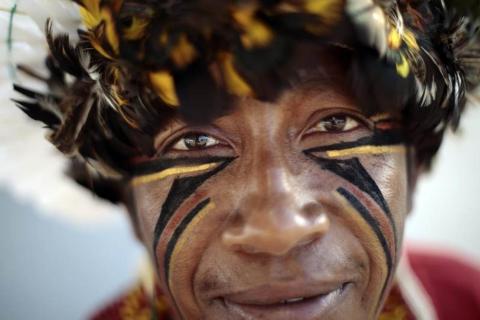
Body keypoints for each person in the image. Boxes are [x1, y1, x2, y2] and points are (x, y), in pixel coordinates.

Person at [10, 0, 480, 319]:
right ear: (127, 200)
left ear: (413, 169)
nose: (278, 229)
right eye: (194, 143)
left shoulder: (465, 299)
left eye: (335, 124)